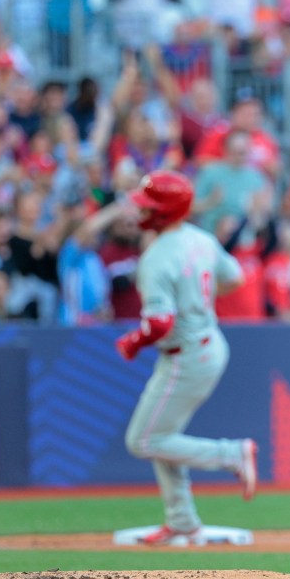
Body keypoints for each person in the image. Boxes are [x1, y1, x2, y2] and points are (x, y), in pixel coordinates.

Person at [114, 171, 258, 545]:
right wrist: (198, 299)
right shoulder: (200, 238)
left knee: (143, 439)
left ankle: (231, 454)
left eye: (149, 206)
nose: (141, 212)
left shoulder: (156, 257)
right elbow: (234, 278)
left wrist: (132, 342)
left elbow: (159, 323)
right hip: (206, 344)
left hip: (186, 355)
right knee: (162, 433)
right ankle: (182, 521)